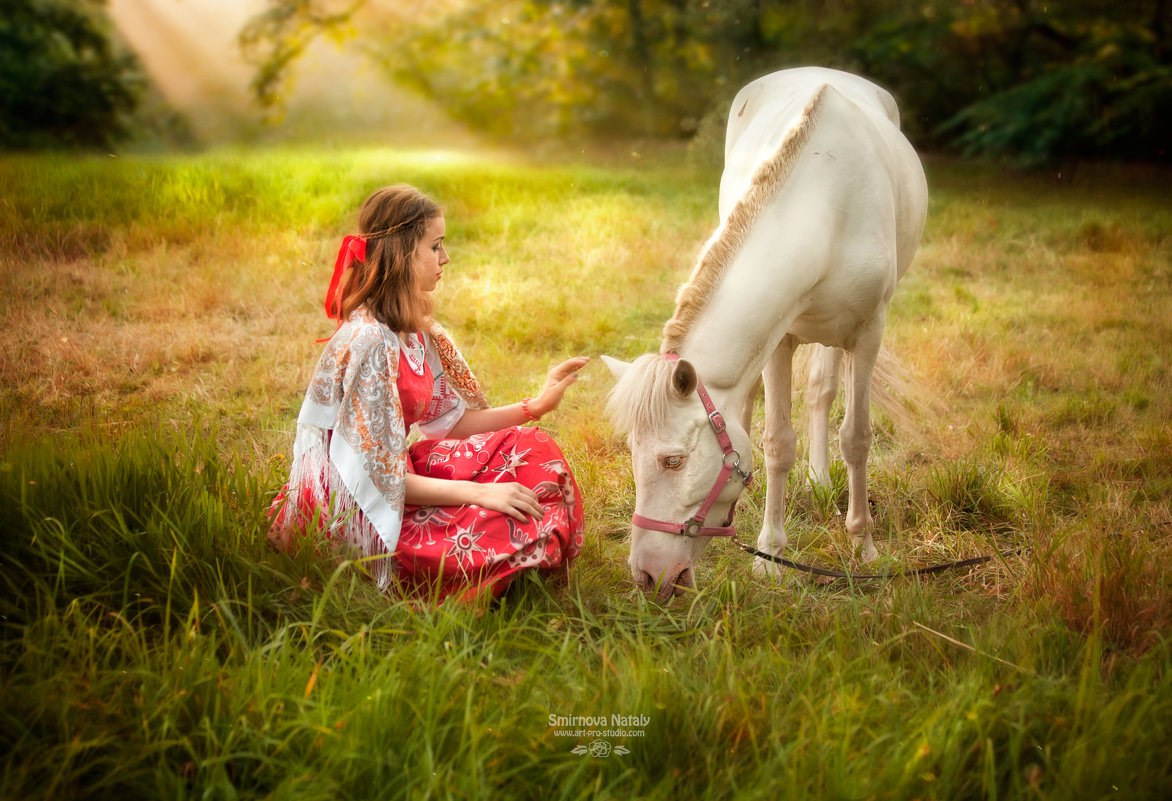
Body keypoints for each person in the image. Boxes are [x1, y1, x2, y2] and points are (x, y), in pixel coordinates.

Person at [269, 184, 588, 601]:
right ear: (402, 253)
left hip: (399, 477)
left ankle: (506, 557)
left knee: (531, 451)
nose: (445, 258)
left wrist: (535, 406)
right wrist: (482, 492)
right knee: (500, 515)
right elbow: (381, 479)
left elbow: (451, 424)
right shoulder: (370, 343)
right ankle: (475, 572)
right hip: (359, 504)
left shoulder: (415, 332)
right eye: (435, 246)